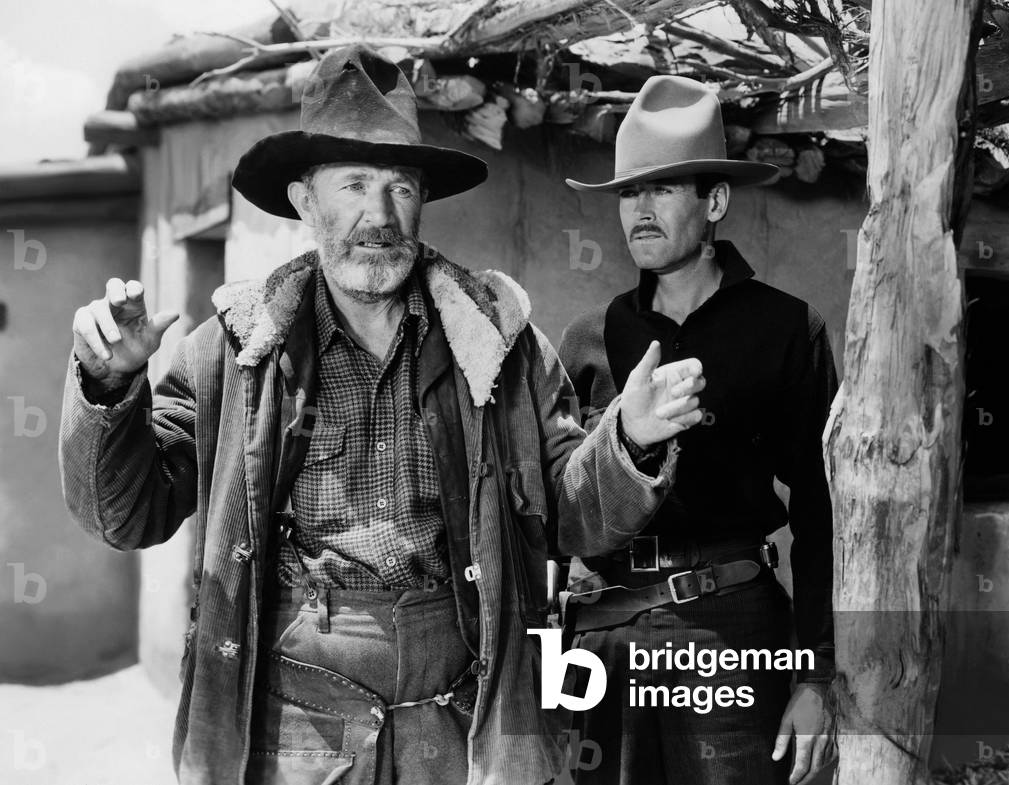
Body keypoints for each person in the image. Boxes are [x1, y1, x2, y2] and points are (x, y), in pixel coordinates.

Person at [59, 46, 709, 785]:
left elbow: (565, 517)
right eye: (355, 185)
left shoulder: (493, 337)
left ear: (423, 197)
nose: (379, 214)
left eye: (400, 186)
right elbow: (125, 515)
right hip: (294, 725)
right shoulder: (233, 351)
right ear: (305, 200)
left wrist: (627, 440)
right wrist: (110, 387)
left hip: (457, 718)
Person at [558, 75, 838, 785]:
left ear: (713, 201)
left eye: (662, 189)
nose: (639, 211)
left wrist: (816, 673)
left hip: (730, 627)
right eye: (628, 193)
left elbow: (820, 507)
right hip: (601, 630)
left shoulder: (784, 328)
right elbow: (551, 512)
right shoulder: (590, 337)